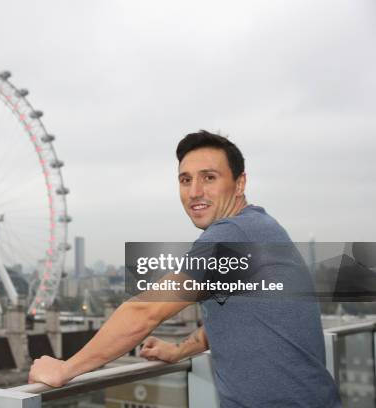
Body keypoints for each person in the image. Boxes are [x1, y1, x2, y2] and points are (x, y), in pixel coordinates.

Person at [28, 130, 341, 407]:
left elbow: (145, 311)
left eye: (209, 177)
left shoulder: (231, 235)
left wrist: (64, 370)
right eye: (185, 179)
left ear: (240, 182)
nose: (194, 192)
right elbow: (242, 317)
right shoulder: (259, 228)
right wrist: (180, 350)